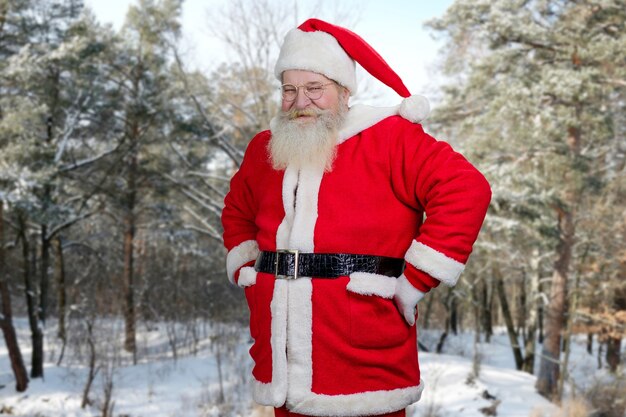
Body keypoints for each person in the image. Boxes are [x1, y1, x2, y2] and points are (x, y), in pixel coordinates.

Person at [221, 18, 491, 417]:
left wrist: (417, 278)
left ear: (344, 91)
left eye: (315, 88)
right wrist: (251, 274)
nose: (300, 101)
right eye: (289, 89)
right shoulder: (266, 148)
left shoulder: (391, 137)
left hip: (365, 353)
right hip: (283, 356)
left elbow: (466, 189)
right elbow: (237, 210)